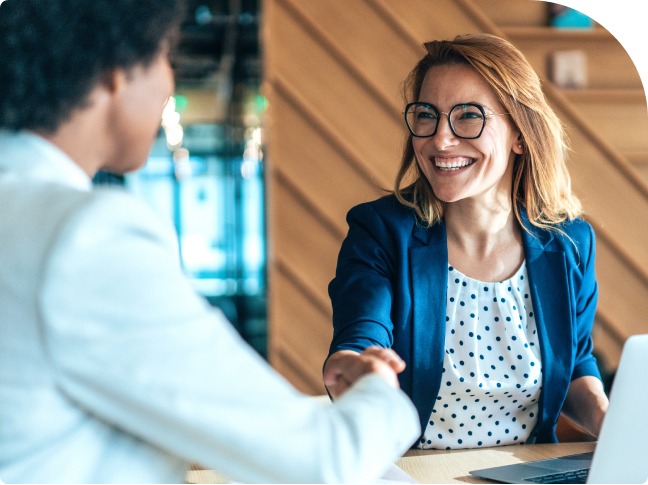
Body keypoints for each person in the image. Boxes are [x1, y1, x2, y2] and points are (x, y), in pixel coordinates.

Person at [0, 1, 420, 482]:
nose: (170, 82)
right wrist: (380, 388)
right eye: (164, 57)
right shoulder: (84, 237)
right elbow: (325, 460)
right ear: (114, 74)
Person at [323, 34, 610, 450]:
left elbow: (576, 361)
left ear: (520, 134)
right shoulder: (381, 230)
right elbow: (360, 337)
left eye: (469, 116)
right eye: (427, 115)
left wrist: (609, 420)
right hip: (412, 472)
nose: (440, 140)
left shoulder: (570, 242)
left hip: (527, 473)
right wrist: (354, 367)